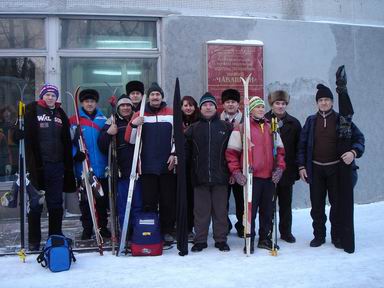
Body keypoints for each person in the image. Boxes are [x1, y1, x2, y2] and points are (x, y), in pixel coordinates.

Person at [297, 84, 365, 248]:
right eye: (321, 100)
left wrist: (353, 153)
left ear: (332, 102)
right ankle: (318, 236)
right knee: (317, 206)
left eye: (327, 99)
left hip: (336, 170)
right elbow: (302, 145)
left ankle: (337, 236)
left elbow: (359, 139)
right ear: (317, 103)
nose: (324, 103)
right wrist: (301, 167)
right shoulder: (311, 121)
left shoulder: (342, 120)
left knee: (337, 205)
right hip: (316, 170)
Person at [16, 84, 76, 251]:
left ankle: (55, 235)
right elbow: (15, 132)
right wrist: (17, 134)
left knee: (56, 204)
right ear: (42, 96)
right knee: (35, 204)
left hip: (57, 166)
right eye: (47, 94)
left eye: (53, 95)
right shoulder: (31, 111)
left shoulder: (60, 114)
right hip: (37, 166)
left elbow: (66, 139)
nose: (50, 97)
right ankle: (34, 240)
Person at [226, 96, 285, 253]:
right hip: (252, 178)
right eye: (257, 107)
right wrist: (237, 172)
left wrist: (279, 168)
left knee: (267, 210)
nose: (261, 109)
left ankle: (264, 238)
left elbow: (280, 151)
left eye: (262, 107)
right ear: (250, 109)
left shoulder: (271, 127)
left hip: (269, 177)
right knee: (250, 212)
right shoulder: (241, 128)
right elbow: (231, 153)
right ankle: (249, 238)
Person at [125, 82, 176, 243]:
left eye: (158, 94)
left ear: (162, 97)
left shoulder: (171, 113)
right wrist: (134, 124)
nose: (155, 97)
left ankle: (167, 230)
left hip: (167, 166)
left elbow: (178, 137)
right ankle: (152, 230)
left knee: (168, 201)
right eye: (152, 94)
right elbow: (130, 140)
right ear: (149, 97)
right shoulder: (140, 114)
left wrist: (174, 153)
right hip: (147, 166)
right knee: (149, 202)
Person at [185, 92, 233, 252]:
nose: (208, 107)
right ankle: (200, 240)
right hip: (200, 177)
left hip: (221, 176)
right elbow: (186, 153)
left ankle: (221, 239)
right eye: (205, 104)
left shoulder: (226, 127)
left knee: (220, 211)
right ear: (200, 108)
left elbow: (233, 152)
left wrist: (232, 172)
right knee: (200, 211)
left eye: (210, 104)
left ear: (215, 107)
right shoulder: (193, 129)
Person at [70, 89, 110, 240]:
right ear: (82, 103)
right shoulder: (75, 120)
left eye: (92, 101)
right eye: (87, 101)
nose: (89, 103)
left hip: (101, 168)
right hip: (83, 168)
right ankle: (87, 228)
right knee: (85, 201)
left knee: (101, 200)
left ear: (96, 103)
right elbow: (69, 142)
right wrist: (75, 154)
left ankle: (102, 227)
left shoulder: (103, 119)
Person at [98, 94, 142, 232]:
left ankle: (137, 233)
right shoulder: (112, 122)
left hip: (138, 169)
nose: (125, 108)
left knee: (138, 204)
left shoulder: (138, 119)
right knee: (123, 205)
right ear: (118, 107)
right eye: (122, 105)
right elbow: (102, 145)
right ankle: (124, 234)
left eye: (128, 105)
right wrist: (108, 134)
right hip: (121, 170)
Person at [265, 90, 302, 243]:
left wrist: (298, 167)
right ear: (272, 105)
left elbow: (299, 147)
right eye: (277, 103)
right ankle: (267, 231)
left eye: (283, 103)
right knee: (268, 204)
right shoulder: (264, 120)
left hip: (286, 170)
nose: (280, 106)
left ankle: (286, 231)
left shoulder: (293, 123)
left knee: (286, 203)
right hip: (268, 171)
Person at [220, 88, 244, 237]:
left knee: (241, 201)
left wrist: (237, 171)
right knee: (223, 201)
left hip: (240, 168)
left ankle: (242, 225)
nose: (230, 105)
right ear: (223, 104)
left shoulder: (245, 120)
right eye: (227, 102)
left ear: (238, 104)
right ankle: (225, 225)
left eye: (233, 102)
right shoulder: (217, 120)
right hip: (222, 168)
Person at [181, 95, 200, 239]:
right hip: (181, 165)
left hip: (196, 165)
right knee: (183, 197)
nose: (188, 108)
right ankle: (184, 226)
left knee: (194, 198)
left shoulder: (200, 122)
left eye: (191, 105)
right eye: (185, 105)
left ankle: (193, 226)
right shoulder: (177, 121)